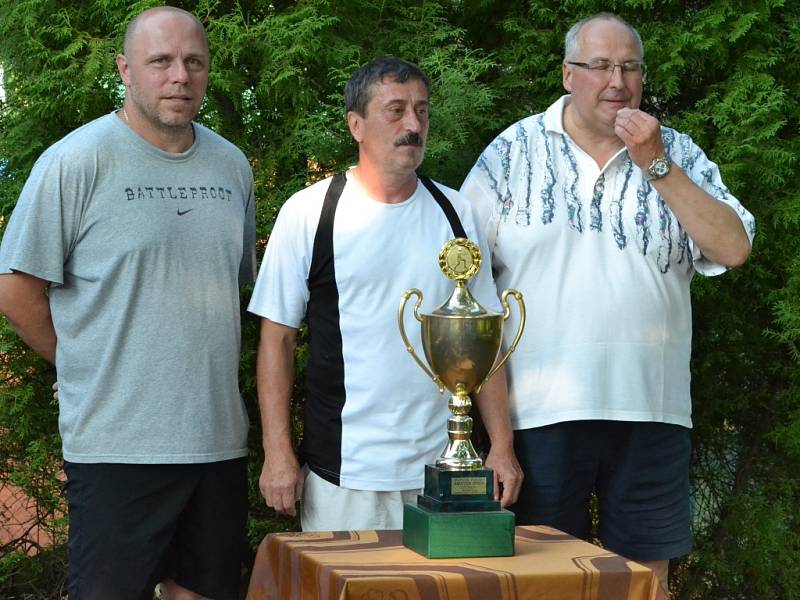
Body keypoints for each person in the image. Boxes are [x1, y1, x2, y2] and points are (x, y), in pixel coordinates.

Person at [460, 13, 754, 597]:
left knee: (645, 582)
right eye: (599, 66)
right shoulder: (510, 153)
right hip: (540, 413)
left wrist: (656, 163)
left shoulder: (678, 154)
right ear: (568, 74)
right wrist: (495, 437)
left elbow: (733, 247)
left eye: (629, 67)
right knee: (539, 580)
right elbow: (468, 293)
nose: (616, 81)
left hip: (653, 408)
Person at [0, 7, 255, 600]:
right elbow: (15, 290)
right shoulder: (76, 161)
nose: (179, 76)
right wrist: (78, 363)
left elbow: (229, 286)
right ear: (125, 69)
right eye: (160, 61)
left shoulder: (231, 166)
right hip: (118, 441)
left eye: (193, 62)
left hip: (216, 436)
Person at [247, 57, 522, 531]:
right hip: (344, 475)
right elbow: (278, 340)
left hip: (443, 472)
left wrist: (501, 445)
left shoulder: (456, 213)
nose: (413, 125)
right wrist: (278, 454)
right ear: (356, 124)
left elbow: (483, 338)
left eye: (422, 110)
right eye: (395, 110)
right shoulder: (311, 213)